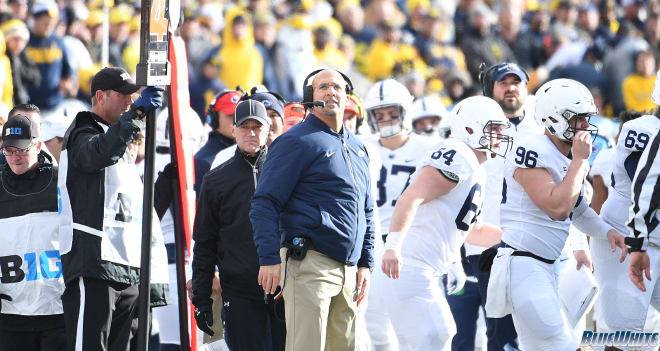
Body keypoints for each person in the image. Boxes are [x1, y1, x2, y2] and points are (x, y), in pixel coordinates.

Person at [488, 78, 627, 350]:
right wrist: (578, 161)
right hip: (524, 265)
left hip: (551, 265)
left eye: (587, 119)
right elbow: (556, 207)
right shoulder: (530, 148)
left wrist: (607, 231)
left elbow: (577, 209)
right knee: (562, 344)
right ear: (553, 118)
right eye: (578, 119)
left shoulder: (566, 155)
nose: (586, 127)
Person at [250, 69, 375, 350]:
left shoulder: (358, 147)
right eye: (323, 87)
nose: (331, 92)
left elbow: (366, 209)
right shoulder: (295, 141)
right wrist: (269, 258)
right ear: (310, 98)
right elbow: (264, 202)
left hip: (349, 270)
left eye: (337, 87)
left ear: (347, 96)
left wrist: (366, 262)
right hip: (309, 264)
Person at [380, 95, 511, 350]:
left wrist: (519, 240)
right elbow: (411, 196)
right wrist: (393, 246)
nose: (499, 135)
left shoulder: (476, 167)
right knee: (438, 334)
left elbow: (475, 231)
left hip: (424, 268)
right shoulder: (458, 153)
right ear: (471, 129)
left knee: (435, 336)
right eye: (493, 128)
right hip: (410, 265)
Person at [57, 66, 164, 351]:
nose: (130, 101)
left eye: (132, 96)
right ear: (100, 96)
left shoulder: (120, 137)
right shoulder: (82, 130)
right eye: (123, 95)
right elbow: (98, 153)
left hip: (126, 264)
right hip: (93, 261)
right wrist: (136, 116)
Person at [193, 99, 285, 350]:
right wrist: (202, 299)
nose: (252, 133)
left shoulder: (286, 172)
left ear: (269, 129)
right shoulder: (216, 180)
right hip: (240, 290)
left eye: (258, 127)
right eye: (245, 127)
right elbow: (204, 242)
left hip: (285, 287)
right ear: (233, 131)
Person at [363, 78, 436, 350]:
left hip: (413, 243)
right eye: (379, 115)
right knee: (377, 329)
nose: (386, 120)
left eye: (392, 113)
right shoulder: (362, 146)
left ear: (406, 111)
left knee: (417, 327)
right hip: (373, 243)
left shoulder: (430, 148)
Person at [595, 87, 660, 333]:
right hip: (627, 237)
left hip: (651, 239)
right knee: (624, 333)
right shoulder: (642, 128)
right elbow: (643, 185)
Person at [0, 114, 65, 351]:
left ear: (38, 145)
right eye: (9, 150)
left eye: (22, 149)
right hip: (11, 314)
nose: (15, 156)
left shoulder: (60, 183)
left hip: (57, 312)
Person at [210, 88, 285, 169]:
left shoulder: (293, 154)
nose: (268, 121)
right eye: (261, 117)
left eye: (273, 115)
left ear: (283, 121)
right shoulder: (224, 158)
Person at [194, 89, 241, 193]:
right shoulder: (203, 162)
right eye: (231, 115)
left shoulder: (253, 152)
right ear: (214, 119)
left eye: (241, 115)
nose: (237, 120)